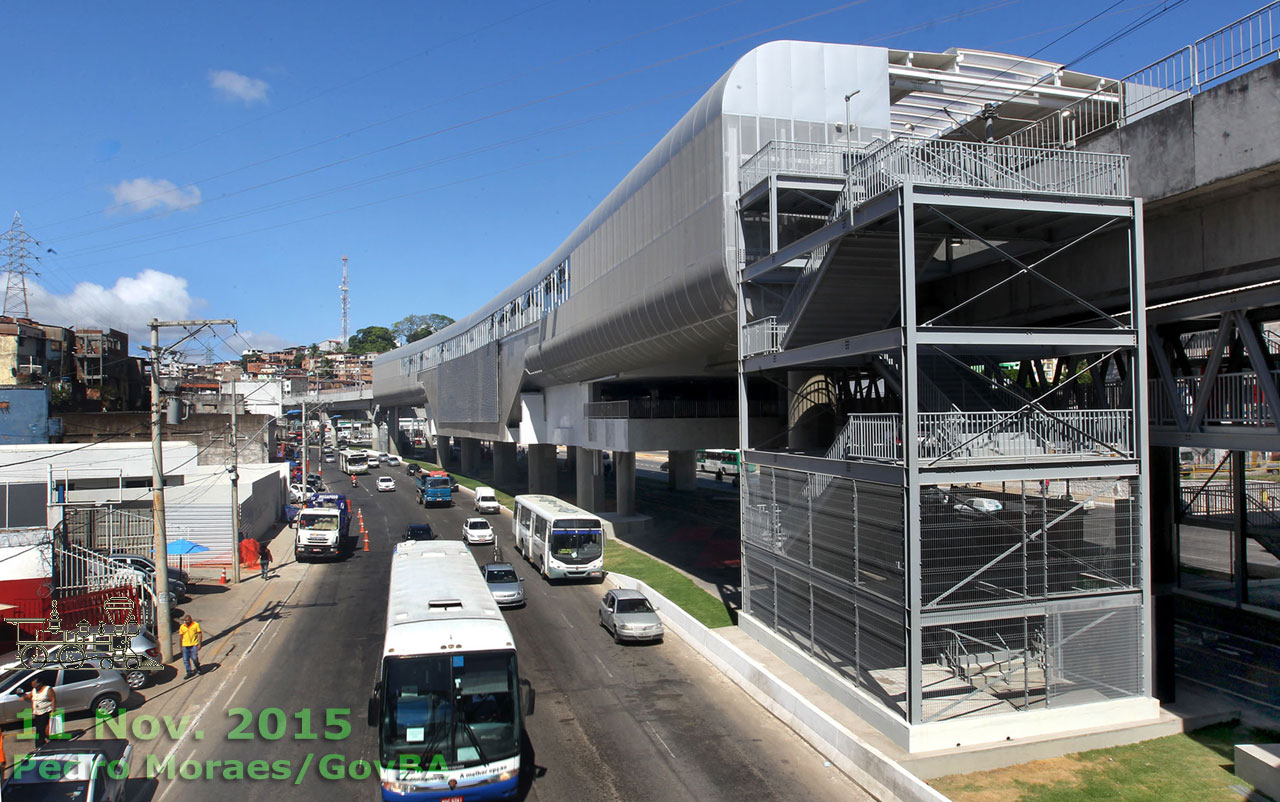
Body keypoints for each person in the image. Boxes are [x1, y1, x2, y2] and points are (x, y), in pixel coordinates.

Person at [21, 676, 56, 745]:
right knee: (40, 730)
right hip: (38, 713)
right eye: (33, 686)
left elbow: (53, 699)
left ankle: (40, 744)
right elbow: (29, 696)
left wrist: (53, 711)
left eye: (35, 685)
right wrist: (23, 697)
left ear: (40, 683)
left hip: (46, 712)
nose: (34, 687)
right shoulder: (34, 690)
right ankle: (45, 742)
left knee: (43, 730)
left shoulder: (47, 689)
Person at [179, 614, 203, 678]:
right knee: (186, 660)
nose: (187, 622)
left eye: (188, 620)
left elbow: (199, 634)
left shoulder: (195, 625)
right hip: (185, 645)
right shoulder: (182, 627)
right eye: (186, 620)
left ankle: (198, 668)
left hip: (193, 645)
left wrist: (200, 644)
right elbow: (181, 637)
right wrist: (181, 646)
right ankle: (189, 672)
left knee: (194, 658)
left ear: (191, 620)